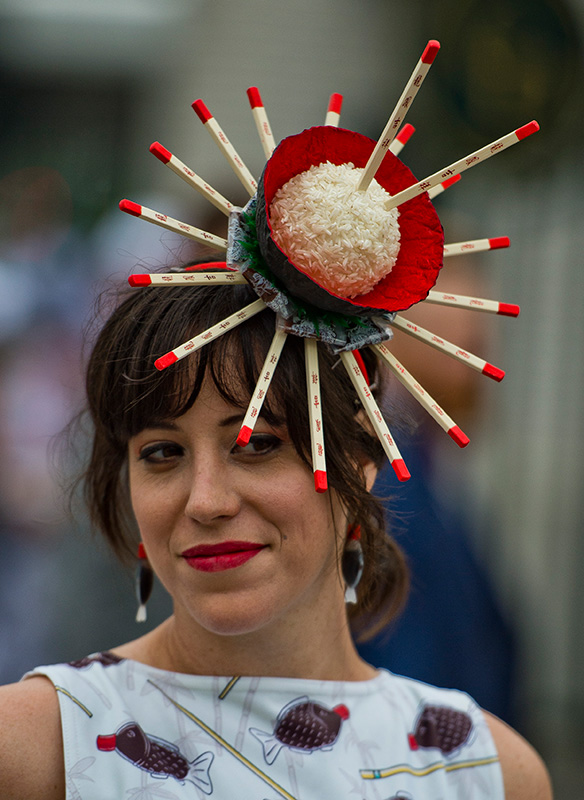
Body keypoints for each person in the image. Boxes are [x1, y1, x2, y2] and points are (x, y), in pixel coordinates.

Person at [0, 276, 551, 799]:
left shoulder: (482, 770)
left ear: (360, 459)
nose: (206, 501)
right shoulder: (38, 746)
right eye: (162, 453)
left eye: (257, 443)